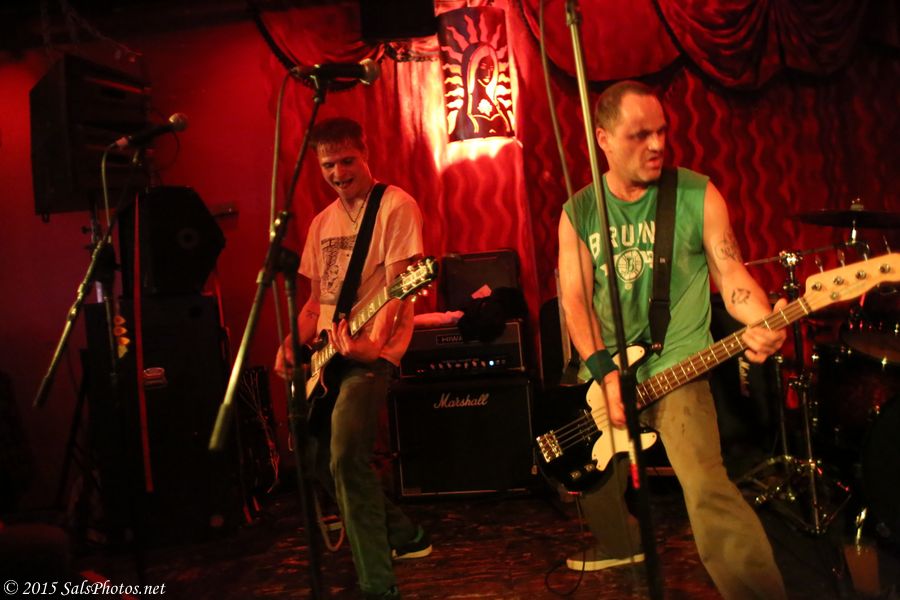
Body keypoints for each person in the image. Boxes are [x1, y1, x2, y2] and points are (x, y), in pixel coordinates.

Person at [557, 80, 788, 599]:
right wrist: (604, 374)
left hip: (678, 366)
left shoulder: (695, 193)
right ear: (603, 140)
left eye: (661, 131)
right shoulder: (579, 212)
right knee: (585, 478)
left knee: (706, 488)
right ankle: (622, 544)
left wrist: (761, 319)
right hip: (608, 373)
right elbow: (574, 301)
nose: (657, 144)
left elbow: (730, 273)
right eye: (640, 135)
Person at [275, 117, 431, 600]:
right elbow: (314, 304)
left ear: (366, 155)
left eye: (347, 161)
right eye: (328, 165)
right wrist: (290, 343)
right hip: (329, 357)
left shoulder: (396, 207)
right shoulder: (321, 223)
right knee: (314, 455)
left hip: (371, 355)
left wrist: (373, 344)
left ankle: (378, 586)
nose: (338, 173)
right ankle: (406, 535)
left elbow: (399, 287)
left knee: (345, 456)